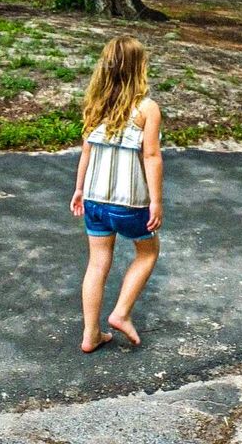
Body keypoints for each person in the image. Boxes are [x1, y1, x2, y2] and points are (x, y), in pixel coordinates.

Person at [70, 35, 163, 353]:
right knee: (147, 253)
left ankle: (90, 334)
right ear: (139, 68)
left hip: (94, 200)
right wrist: (156, 201)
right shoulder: (146, 109)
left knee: (97, 263)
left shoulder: (96, 105)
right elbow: (151, 157)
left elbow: (86, 152)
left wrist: (79, 189)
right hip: (130, 203)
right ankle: (121, 312)